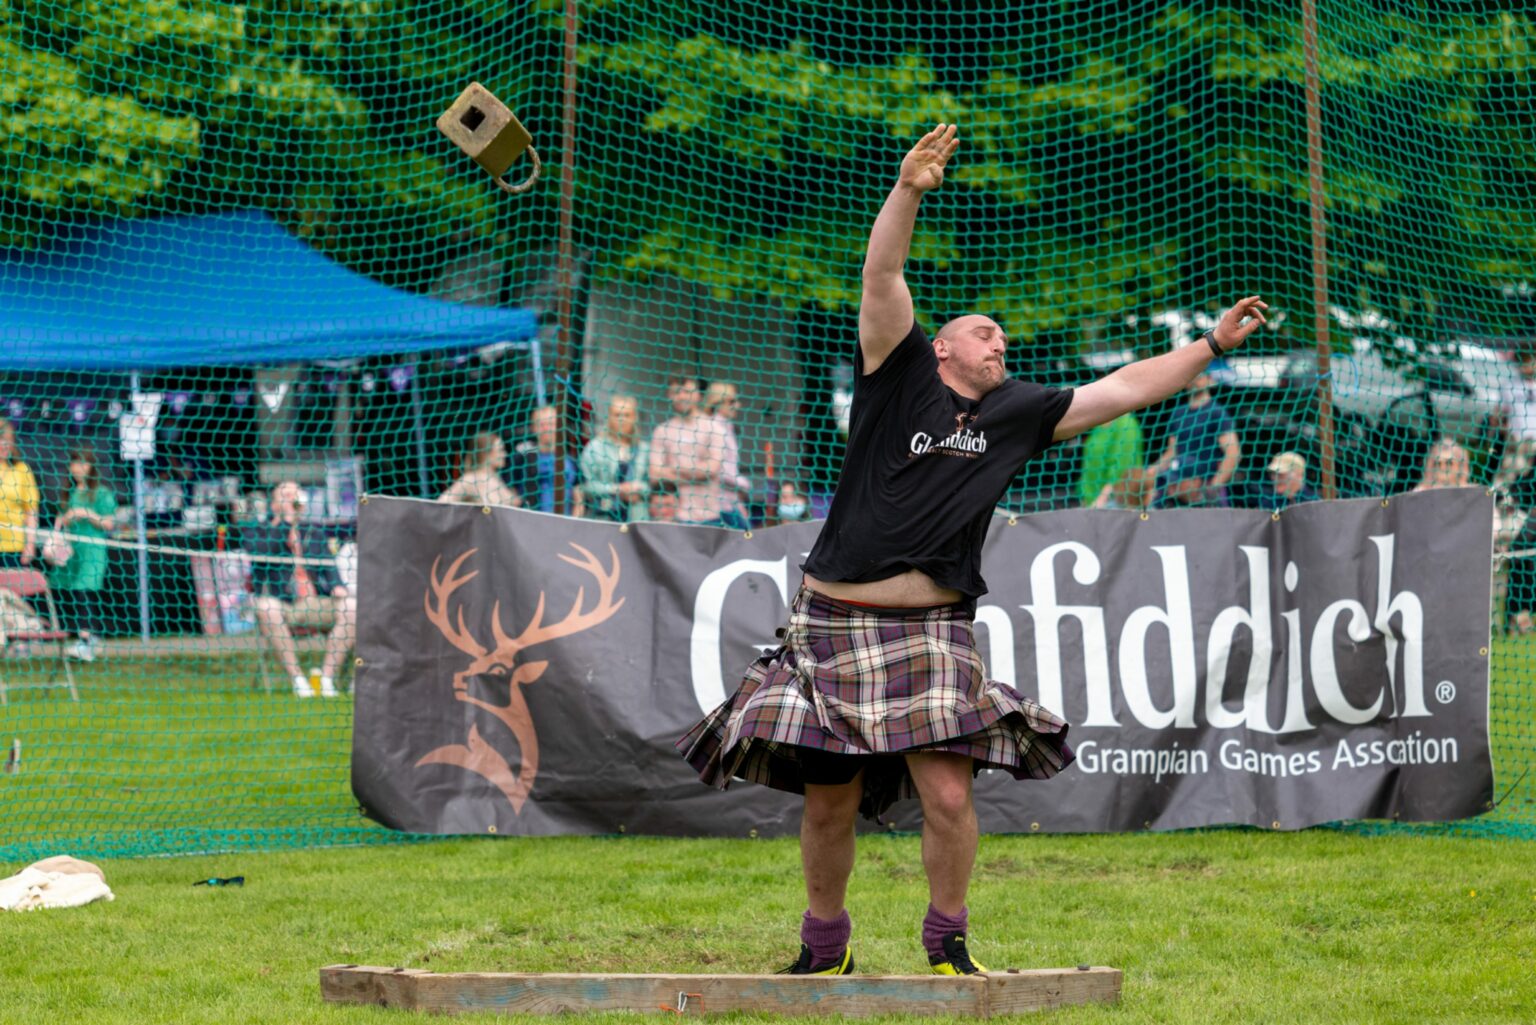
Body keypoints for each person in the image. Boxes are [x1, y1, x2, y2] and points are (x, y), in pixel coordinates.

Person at [678, 123, 1269, 977]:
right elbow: (882, 275)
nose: (1001, 343)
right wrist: (909, 188)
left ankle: (948, 939)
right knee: (830, 802)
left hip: (936, 630)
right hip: (836, 621)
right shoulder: (897, 373)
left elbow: (1122, 387)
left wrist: (1210, 345)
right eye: (984, 333)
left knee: (948, 793)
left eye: (1003, 338)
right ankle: (824, 945)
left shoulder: (1017, 414)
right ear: (944, 345)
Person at [244, 481, 354, 698]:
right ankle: (298, 680)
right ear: (274, 504)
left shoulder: (312, 530)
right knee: (266, 608)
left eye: (296, 495)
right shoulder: (258, 530)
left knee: (352, 607)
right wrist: (285, 521)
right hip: (281, 601)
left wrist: (337, 586)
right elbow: (263, 553)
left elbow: (328, 563)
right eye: (285, 496)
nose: (293, 500)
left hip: (315, 602)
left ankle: (327, 679)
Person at [47, 448, 118, 661]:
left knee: (84, 588)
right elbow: (61, 521)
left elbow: (108, 523)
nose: (78, 468)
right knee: (73, 591)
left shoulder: (101, 493)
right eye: (75, 463)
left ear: (91, 467)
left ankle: (85, 640)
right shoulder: (67, 493)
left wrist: (85, 513)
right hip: (72, 551)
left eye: (83, 463)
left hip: (93, 550)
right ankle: (89, 636)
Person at [1147, 370, 1241, 506]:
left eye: (1199, 377)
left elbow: (1233, 453)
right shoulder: (1178, 413)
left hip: (1205, 488)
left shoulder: (1217, 413)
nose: (1194, 381)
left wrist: (1214, 486)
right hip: (1178, 487)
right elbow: (1172, 452)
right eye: (1191, 376)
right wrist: (1150, 473)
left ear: (1209, 379)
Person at [649, 374, 733, 526]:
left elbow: (711, 469)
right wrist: (698, 473)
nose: (681, 396)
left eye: (687, 392)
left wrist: (673, 469)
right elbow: (654, 474)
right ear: (669, 396)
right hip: (675, 518)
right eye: (676, 392)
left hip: (708, 516)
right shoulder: (662, 431)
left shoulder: (715, 429)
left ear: (699, 395)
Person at [579, 395, 650, 522]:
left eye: (627, 415)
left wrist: (637, 489)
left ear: (634, 418)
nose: (622, 419)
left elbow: (652, 485)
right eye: (617, 415)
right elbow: (586, 486)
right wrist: (616, 489)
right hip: (603, 518)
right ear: (609, 417)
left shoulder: (644, 449)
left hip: (636, 519)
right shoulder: (595, 448)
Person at [509, 405, 583, 516]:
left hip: (563, 525)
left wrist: (572, 525)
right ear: (533, 428)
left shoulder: (570, 461)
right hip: (530, 523)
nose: (546, 429)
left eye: (551, 424)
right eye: (541, 425)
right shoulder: (522, 458)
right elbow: (511, 492)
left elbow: (578, 501)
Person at [702, 382, 752, 530]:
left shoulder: (726, 426)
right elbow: (720, 471)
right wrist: (744, 484)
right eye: (731, 401)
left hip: (730, 501)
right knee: (747, 543)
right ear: (716, 403)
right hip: (719, 503)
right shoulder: (714, 428)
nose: (737, 405)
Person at [1076, 413, 1143, 508]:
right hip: (1090, 502)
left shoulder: (1126, 423)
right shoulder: (1100, 423)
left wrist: (1101, 500)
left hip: (1112, 505)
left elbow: (1122, 469)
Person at [1493, 346, 1536, 490]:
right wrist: (1501, 430)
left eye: (1529, 362)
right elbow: (1499, 413)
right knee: (1506, 479)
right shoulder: (1510, 385)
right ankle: (1499, 505)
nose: (1526, 367)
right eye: (1523, 363)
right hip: (1517, 440)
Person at [440, 432, 520, 507]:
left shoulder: (497, 479)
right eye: (500, 450)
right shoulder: (471, 479)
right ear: (486, 453)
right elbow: (443, 502)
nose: (504, 454)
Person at [0, 419, 39, 569]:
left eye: (8, 441)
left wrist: (30, 544)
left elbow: (31, 511)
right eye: (1, 440)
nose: (5, 445)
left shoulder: (22, 470)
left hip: (13, 547)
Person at [1255, 451, 1319, 511]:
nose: (1275, 478)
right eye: (1273, 474)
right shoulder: (1268, 503)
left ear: (1299, 474)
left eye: (1281, 474)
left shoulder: (1314, 503)